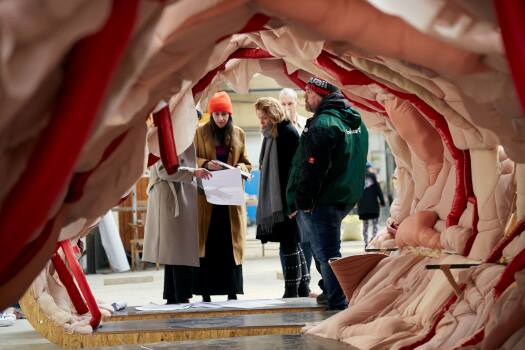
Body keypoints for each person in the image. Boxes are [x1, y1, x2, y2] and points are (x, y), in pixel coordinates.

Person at [287, 77, 368, 310]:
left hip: (320, 200)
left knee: (327, 254)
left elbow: (312, 167)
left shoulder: (324, 124)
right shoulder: (354, 121)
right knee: (326, 249)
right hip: (343, 196)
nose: (305, 97)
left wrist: (302, 200)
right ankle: (329, 292)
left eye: (308, 92)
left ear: (320, 94)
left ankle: (337, 303)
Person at [193, 91, 252, 302]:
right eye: (217, 114)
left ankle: (232, 291)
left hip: (230, 199)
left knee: (230, 244)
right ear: (211, 114)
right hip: (207, 199)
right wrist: (206, 164)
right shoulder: (200, 133)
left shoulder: (239, 133)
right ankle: (206, 293)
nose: (220, 118)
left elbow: (247, 162)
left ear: (229, 115)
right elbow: (192, 159)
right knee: (208, 244)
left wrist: (239, 167)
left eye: (224, 114)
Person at [254, 97, 310, 298]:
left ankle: (291, 289)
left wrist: (293, 203)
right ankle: (302, 286)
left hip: (286, 201)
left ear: (273, 114)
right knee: (292, 242)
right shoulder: (273, 135)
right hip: (281, 199)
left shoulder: (287, 134)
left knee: (289, 242)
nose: (261, 122)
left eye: (264, 118)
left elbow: (294, 172)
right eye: (260, 118)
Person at [143, 141, 211, 304]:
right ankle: (180, 296)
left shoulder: (177, 135)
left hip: (178, 194)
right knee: (178, 249)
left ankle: (173, 296)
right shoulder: (167, 136)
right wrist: (194, 173)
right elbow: (164, 170)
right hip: (171, 197)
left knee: (175, 251)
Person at [357, 162, 386, 246]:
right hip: (373, 206)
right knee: (375, 224)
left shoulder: (359, 177)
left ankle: (366, 243)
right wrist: (382, 202)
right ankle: (373, 241)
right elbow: (378, 190)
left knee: (365, 226)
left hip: (363, 207)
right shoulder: (372, 176)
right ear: (369, 168)